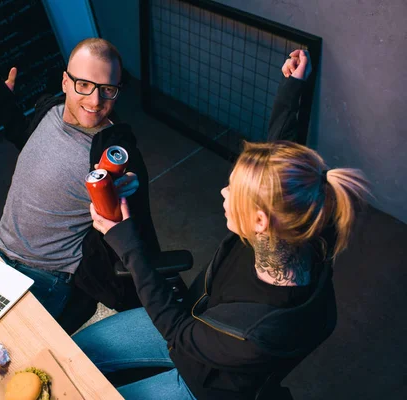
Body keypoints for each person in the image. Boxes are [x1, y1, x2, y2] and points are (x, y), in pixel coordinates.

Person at [73, 50, 370, 399]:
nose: (224, 192)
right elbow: (279, 155)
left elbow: (179, 336)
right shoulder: (301, 220)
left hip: (200, 382)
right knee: (74, 351)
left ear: (260, 220)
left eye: (235, 192)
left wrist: (127, 245)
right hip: (192, 317)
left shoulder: (257, 331)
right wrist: (292, 87)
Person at [0, 38, 161, 331]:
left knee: (1, 346)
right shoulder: (50, 108)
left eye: (108, 89)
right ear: (65, 82)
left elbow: (137, 230)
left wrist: (124, 197)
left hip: (46, 276)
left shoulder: (114, 152)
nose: (96, 101)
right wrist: (1, 101)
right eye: (84, 84)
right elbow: (28, 139)